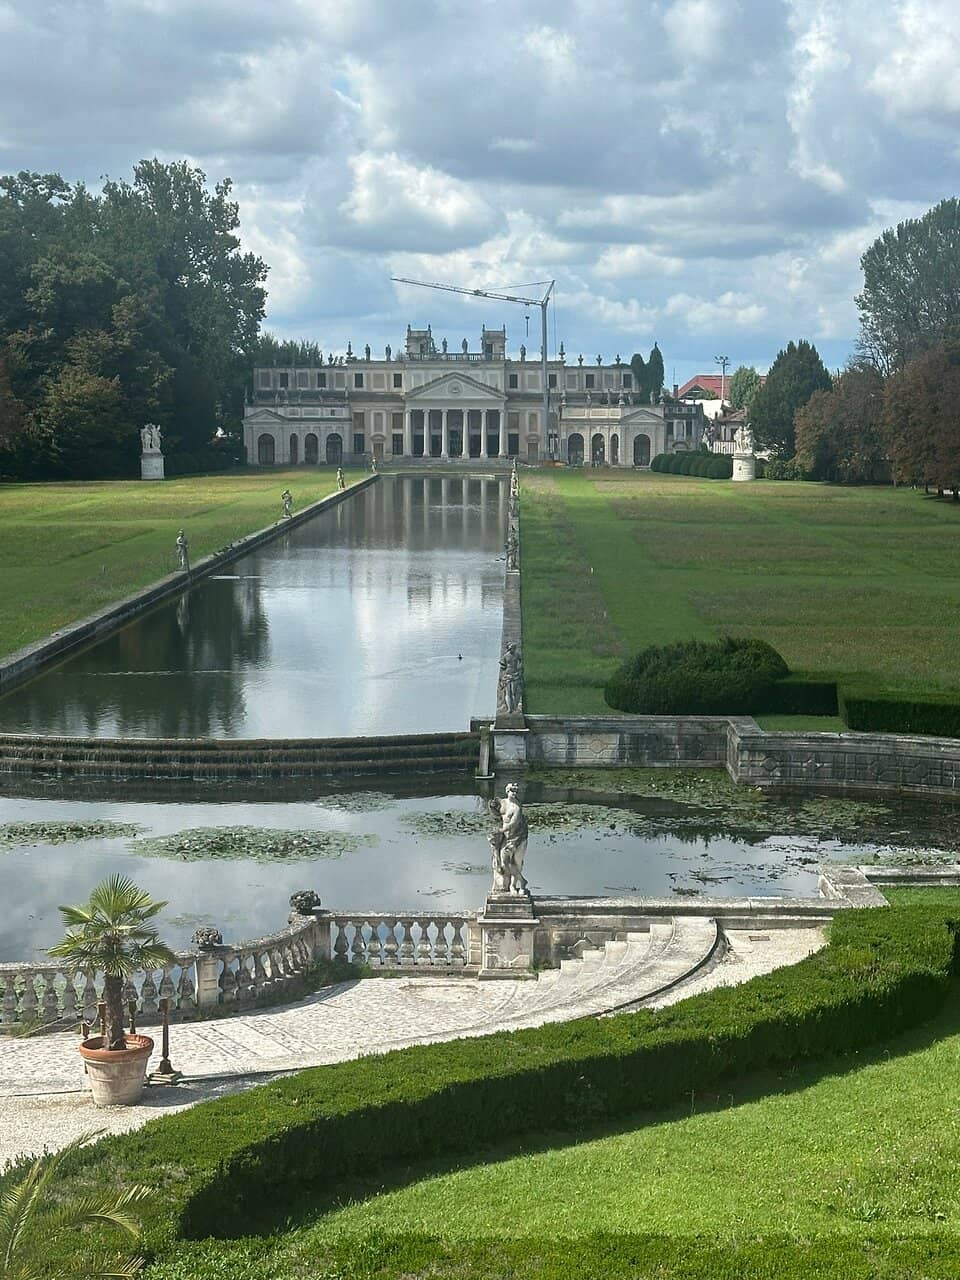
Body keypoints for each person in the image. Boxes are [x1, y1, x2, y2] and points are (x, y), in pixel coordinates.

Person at [488, 783, 529, 894]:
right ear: (507, 791)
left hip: (517, 837)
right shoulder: (503, 802)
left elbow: (512, 824)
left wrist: (500, 830)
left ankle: (514, 885)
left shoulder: (517, 807)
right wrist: (491, 807)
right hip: (506, 837)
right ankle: (522, 881)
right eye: (512, 791)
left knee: (516, 862)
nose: (514, 793)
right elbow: (496, 814)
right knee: (504, 861)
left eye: (516, 792)